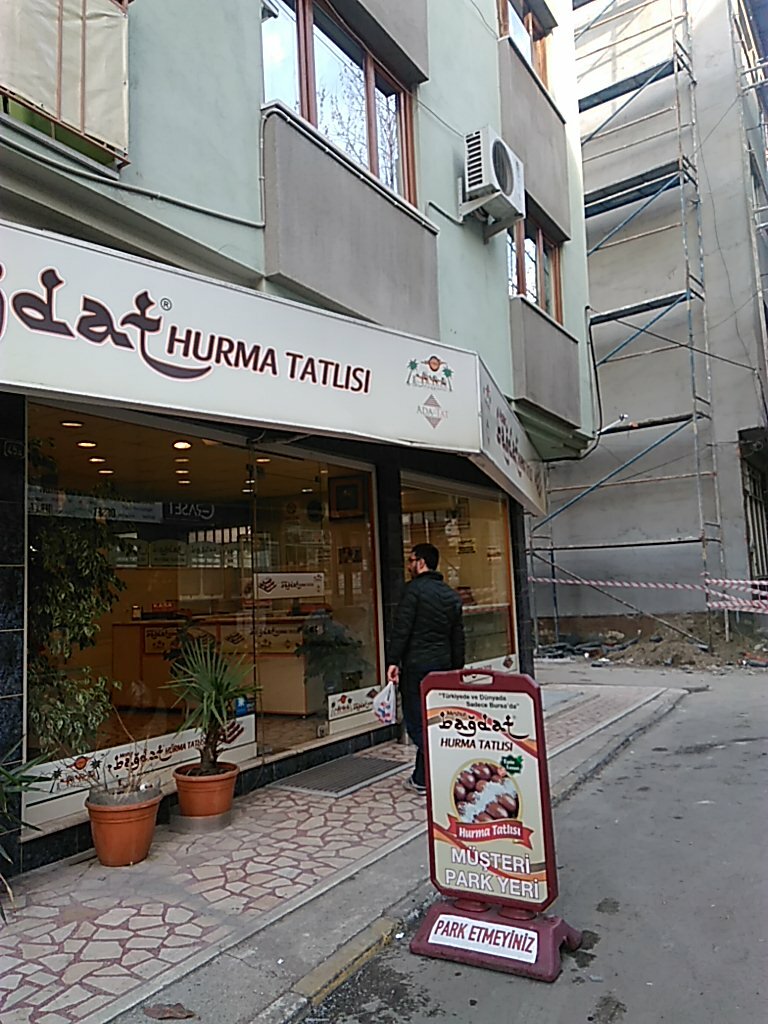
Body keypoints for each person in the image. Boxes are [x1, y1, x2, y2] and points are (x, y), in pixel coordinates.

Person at [386, 542, 465, 795]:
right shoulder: (451, 596)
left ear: (421, 562)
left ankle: (439, 766)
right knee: (436, 720)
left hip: (417, 667)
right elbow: (458, 637)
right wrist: (457, 669)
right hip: (443, 667)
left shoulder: (413, 591)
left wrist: (392, 661)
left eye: (411, 560)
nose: (408, 565)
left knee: (417, 722)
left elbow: (402, 629)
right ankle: (421, 778)